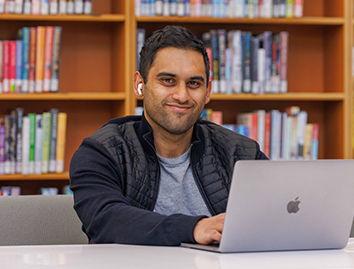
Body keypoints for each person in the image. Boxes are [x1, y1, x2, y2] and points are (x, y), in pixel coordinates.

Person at [69, 25, 268, 246]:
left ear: (208, 91)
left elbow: (277, 217)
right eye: (168, 81)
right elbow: (105, 220)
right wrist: (194, 228)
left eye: (193, 83)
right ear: (140, 85)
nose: (182, 95)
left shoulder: (241, 153)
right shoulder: (101, 152)